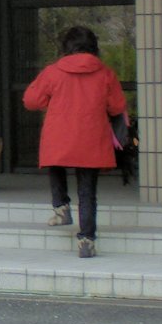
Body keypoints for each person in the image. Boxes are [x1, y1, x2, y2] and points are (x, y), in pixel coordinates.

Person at [23, 25, 127, 259]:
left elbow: (31, 100)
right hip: (92, 137)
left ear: (67, 47)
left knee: (56, 166)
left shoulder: (53, 72)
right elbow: (117, 106)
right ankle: (86, 239)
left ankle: (61, 208)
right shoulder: (105, 73)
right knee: (87, 191)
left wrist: (51, 101)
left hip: (59, 135)